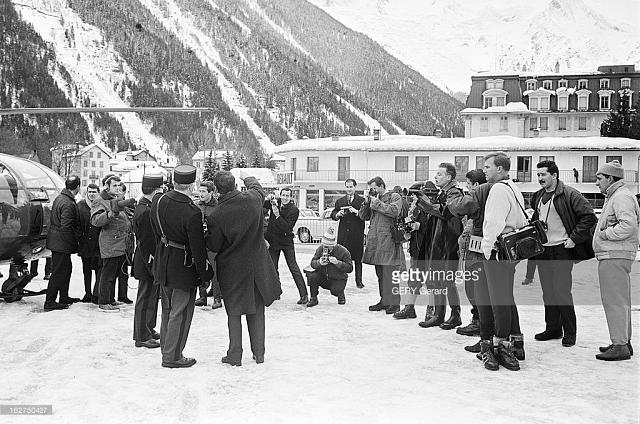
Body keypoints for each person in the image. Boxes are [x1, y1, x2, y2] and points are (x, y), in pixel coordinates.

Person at [206, 171, 282, 366]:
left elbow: (214, 246)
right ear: (234, 185)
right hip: (257, 266)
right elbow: (257, 188)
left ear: (216, 190)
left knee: (234, 312)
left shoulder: (216, 214)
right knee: (256, 311)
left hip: (232, 269)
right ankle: (259, 353)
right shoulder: (253, 200)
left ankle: (235, 354)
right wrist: (246, 176)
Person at [151, 165, 213, 368]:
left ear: (175, 182)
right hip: (183, 266)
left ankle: (166, 350)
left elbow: (155, 230)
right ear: (191, 184)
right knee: (181, 312)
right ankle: (173, 356)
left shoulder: (159, 201)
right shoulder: (192, 212)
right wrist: (205, 274)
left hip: (163, 261)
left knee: (167, 310)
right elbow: (197, 248)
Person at [531, 160, 597, 347]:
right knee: (548, 292)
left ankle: (570, 332)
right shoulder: (538, 196)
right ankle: (553, 328)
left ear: (554, 175)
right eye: (538, 175)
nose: (540, 178)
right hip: (543, 249)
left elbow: (589, 217)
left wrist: (574, 238)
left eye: (543, 174)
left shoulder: (569, 194)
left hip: (562, 249)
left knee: (561, 292)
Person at [481, 152, 528, 371]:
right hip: (511, 251)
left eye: (488, 167)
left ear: (500, 169)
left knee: (499, 300)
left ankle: (501, 345)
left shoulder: (498, 190)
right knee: (507, 298)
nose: (484, 170)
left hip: (499, 251)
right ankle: (516, 342)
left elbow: (493, 223)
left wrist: (487, 248)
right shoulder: (512, 187)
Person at [593, 161, 639, 361]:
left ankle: (620, 345)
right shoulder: (618, 196)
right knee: (620, 301)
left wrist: (605, 234)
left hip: (614, 255)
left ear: (611, 178)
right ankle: (622, 342)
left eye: (600, 178)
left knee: (614, 301)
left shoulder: (620, 197)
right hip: (616, 254)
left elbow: (627, 226)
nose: (597, 183)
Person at [415, 163, 464, 330]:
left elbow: (445, 212)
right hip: (439, 244)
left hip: (447, 244)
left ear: (449, 177)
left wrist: (425, 202)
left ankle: (455, 315)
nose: (436, 177)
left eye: (440, 174)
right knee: (436, 280)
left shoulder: (454, 193)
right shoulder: (444, 192)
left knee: (447, 281)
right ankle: (439, 314)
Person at [359, 176, 405, 314]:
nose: (373, 191)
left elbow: (394, 211)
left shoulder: (394, 196)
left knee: (390, 273)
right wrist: (367, 203)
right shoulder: (374, 200)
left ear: (381, 186)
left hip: (389, 240)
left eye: (374, 188)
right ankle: (384, 300)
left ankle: (395, 303)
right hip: (376, 240)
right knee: (380, 272)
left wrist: (377, 203)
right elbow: (362, 216)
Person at [91, 174, 136, 312]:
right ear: (107, 186)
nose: (117, 188)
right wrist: (110, 214)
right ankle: (103, 301)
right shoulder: (100, 201)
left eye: (118, 185)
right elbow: (96, 221)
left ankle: (110, 299)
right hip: (110, 242)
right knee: (107, 274)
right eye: (114, 185)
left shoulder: (116, 199)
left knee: (115, 273)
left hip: (121, 243)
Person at [451, 169, 487, 340]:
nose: (466, 188)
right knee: (471, 288)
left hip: (476, 254)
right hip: (470, 253)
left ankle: (480, 323)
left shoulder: (477, 199)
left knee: (475, 289)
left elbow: (458, 207)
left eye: (468, 184)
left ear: (476, 185)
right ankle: (477, 319)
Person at [132, 174, 164, 349]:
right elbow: (146, 241)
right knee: (145, 299)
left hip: (147, 259)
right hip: (147, 260)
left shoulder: (144, 206)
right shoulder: (145, 211)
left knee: (150, 297)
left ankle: (148, 328)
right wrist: (152, 262)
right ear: (156, 190)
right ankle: (141, 336)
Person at [264, 187, 308, 304]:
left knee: (293, 268)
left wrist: (277, 215)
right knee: (273, 268)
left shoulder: (294, 210)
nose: (284, 198)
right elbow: (263, 205)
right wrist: (268, 199)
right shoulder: (276, 202)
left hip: (286, 242)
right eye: (283, 195)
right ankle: (276, 292)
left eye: (287, 196)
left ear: (291, 197)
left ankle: (304, 295)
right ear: (280, 195)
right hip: (273, 241)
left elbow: (287, 228)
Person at [44, 175, 81, 311]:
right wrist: (74, 243)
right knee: (59, 272)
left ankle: (64, 297)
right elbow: (66, 227)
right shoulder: (68, 203)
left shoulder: (61, 198)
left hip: (58, 242)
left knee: (66, 269)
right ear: (77, 187)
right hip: (61, 243)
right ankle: (50, 302)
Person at [393, 183, 430, 320]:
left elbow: (434, 228)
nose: (413, 198)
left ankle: (431, 310)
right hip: (416, 248)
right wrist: (408, 230)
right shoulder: (415, 209)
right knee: (413, 279)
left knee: (431, 281)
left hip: (428, 249)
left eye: (415, 195)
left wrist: (419, 226)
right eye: (413, 195)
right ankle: (409, 307)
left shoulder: (430, 207)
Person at [330, 178, 365, 288]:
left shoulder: (362, 201)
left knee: (358, 259)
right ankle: (339, 280)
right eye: (347, 187)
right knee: (341, 258)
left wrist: (357, 212)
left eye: (351, 187)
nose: (349, 189)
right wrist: (337, 214)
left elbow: (366, 216)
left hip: (357, 235)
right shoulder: (340, 201)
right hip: (343, 235)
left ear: (355, 187)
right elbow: (333, 214)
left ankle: (359, 281)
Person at [306, 227, 353, 307]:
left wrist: (338, 263)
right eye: (325, 246)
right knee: (312, 276)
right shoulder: (320, 249)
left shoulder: (343, 251)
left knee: (335, 291)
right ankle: (313, 298)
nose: (326, 249)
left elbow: (350, 268)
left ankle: (340, 293)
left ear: (333, 245)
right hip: (324, 276)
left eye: (329, 247)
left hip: (338, 278)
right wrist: (319, 262)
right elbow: (312, 263)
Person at [195, 181, 222, 309]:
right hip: (200, 242)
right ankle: (202, 296)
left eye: (203, 191)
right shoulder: (196, 205)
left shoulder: (218, 207)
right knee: (201, 269)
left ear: (211, 193)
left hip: (213, 243)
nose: (201, 194)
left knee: (215, 271)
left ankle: (217, 297)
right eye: (200, 191)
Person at [77, 183, 102, 303]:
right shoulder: (81, 205)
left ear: (98, 192)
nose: (91, 194)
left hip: (98, 245)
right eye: (90, 192)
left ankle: (96, 293)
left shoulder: (102, 205)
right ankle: (87, 293)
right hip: (85, 244)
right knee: (86, 271)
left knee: (98, 270)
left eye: (94, 192)